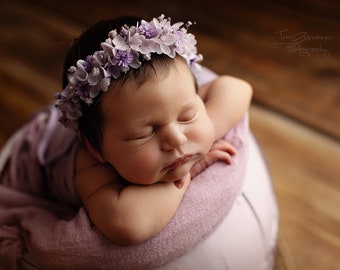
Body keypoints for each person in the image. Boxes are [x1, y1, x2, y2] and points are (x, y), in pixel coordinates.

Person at [2, 15, 252, 246]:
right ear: (96, 149)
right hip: (45, 152)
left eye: (187, 116)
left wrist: (208, 131)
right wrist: (190, 171)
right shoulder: (91, 168)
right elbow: (129, 226)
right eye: (146, 133)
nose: (177, 139)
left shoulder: (166, 100)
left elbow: (237, 88)